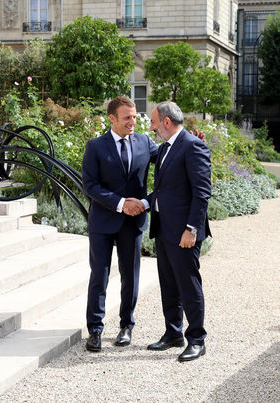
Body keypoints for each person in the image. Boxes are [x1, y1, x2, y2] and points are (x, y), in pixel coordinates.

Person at [82, 96, 158, 352]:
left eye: (135, 116)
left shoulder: (145, 142)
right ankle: (95, 329)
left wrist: (192, 146)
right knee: (99, 276)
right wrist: (121, 202)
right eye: (127, 117)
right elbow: (90, 185)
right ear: (112, 118)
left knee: (130, 276)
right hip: (103, 221)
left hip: (132, 222)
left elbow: (169, 161)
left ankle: (127, 325)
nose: (132, 122)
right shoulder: (95, 146)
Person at [139, 101, 212, 361]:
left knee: (188, 286)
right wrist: (146, 203)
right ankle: (173, 333)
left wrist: (191, 228)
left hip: (184, 232)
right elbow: (164, 190)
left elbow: (202, 193)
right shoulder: (166, 148)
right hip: (164, 229)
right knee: (169, 286)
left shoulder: (193, 146)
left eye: (153, 122)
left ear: (166, 122)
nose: (151, 127)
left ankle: (197, 339)